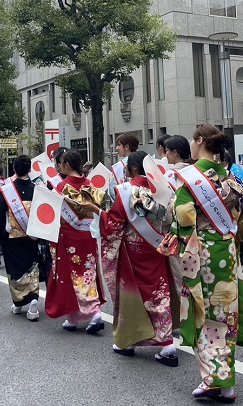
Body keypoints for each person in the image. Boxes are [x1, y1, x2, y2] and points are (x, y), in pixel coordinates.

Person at [163, 123, 243, 403]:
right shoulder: (230, 177)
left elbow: (182, 217)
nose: (190, 145)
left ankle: (215, 381)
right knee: (225, 314)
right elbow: (240, 219)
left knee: (205, 315)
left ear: (200, 140)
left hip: (200, 252)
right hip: (226, 251)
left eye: (192, 140)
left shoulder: (189, 177)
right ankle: (225, 383)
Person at [82, 151, 179, 365]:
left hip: (132, 250)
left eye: (126, 167)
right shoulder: (164, 190)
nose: (124, 170)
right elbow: (172, 218)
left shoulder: (125, 190)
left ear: (134, 169)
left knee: (131, 296)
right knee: (158, 291)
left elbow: (114, 224)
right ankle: (167, 344)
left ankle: (128, 341)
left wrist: (96, 212)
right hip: (156, 246)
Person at [45, 149, 107, 333]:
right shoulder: (91, 185)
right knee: (88, 271)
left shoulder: (61, 188)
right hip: (88, 236)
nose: (59, 166)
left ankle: (94, 312)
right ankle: (74, 317)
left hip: (68, 237)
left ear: (68, 165)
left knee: (70, 275)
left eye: (62, 163)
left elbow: (53, 214)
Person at [0, 154, 42, 321]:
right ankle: (33, 300)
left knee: (15, 270)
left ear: (13, 169)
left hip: (12, 236)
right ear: (30, 169)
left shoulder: (6, 192)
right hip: (32, 236)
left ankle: (19, 301)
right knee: (32, 267)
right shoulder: (37, 190)